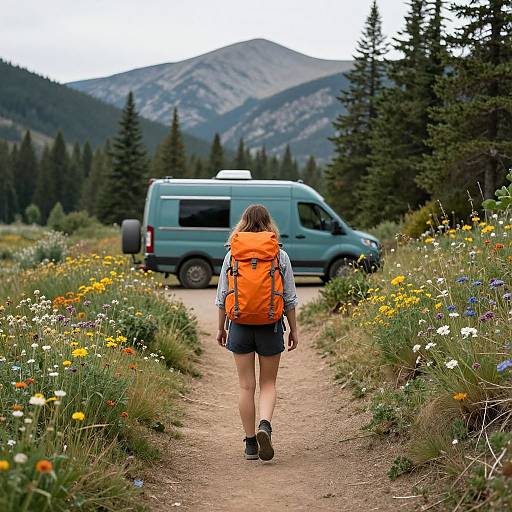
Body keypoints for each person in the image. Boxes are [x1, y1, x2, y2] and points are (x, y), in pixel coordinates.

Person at [215, 204, 299, 461]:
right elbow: (290, 298)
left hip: (239, 325)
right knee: (268, 383)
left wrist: (221, 328)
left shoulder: (232, 255)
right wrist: (293, 330)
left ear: (242, 224)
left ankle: (250, 443)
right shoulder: (279, 255)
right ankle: (265, 425)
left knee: (245, 386)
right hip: (271, 325)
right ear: (268, 224)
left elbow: (222, 297)